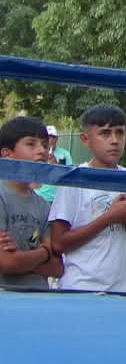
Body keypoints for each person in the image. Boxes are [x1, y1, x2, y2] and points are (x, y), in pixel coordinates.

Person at [50, 105, 126, 292]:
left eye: (119, 133)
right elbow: (58, 243)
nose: (114, 140)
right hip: (78, 288)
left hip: (118, 289)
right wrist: (109, 217)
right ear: (85, 139)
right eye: (105, 133)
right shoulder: (74, 180)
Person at [0, 116, 63, 289]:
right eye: (31, 144)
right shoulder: (2, 196)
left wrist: (19, 258)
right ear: (6, 153)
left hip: (39, 299)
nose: (42, 151)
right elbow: (6, 263)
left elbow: (57, 268)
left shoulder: (43, 204)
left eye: (44, 145)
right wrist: (44, 252)